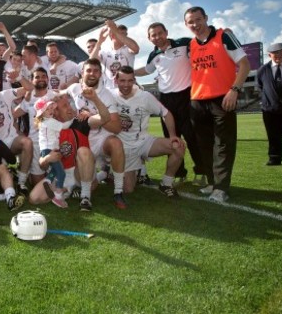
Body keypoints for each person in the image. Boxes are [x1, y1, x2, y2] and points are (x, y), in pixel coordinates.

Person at [184, 6, 250, 202]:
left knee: (223, 145)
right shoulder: (191, 46)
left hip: (223, 99)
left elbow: (245, 65)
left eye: (198, 19)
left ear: (206, 18)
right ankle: (212, 183)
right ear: (186, 25)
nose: (195, 24)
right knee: (204, 145)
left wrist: (234, 90)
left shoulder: (224, 36)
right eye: (191, 22)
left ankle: (221, 189)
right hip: (197, 101)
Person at [135, 22, 206, 184]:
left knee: (192, 136)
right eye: (153, 35)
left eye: (160, 33)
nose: (157, 37)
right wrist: (129, 72)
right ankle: (180, 173)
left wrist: (221, 35)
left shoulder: (183, 43)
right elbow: (147, 70)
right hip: (166, 101)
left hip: (186, 97)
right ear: (149, 38)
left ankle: (201, 172)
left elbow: (203, 41)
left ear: (166, 32)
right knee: (171, 138)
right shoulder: (153, 55)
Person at [112, 66, 186, 196]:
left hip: (143, 142)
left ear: (134, 80)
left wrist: (173, 135)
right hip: (123, 147)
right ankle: (110, 171)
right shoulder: (109, 96)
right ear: (116, 81)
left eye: (130, 81)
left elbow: (166, 113)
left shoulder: (145, 96)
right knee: (128, 189)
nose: (126, 85)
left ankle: (166, 184)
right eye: (122, 80)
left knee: (178, 147)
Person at [65, 58, 128, 209]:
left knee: (116, 142)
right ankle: (99, 178)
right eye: (88, 70)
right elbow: (59, 93)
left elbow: (117, 128)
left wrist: (94, 110)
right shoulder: (74, 88)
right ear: (82, 73)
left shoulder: (106, 95)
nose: (92, 74)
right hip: (83, 142)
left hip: (102, 138)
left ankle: (118, 191)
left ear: (100, 74)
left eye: (96, 71)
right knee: (89, 184)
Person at [31, 92, 109, 211]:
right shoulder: (47, 128)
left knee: (84, 151)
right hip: (61, 173)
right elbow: (42, 164)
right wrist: (47, 159)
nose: (70, 108)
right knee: (34, 198)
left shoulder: (80, 120)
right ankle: (72, 189)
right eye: (65, 106)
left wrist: (95, 99)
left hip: (80, 171)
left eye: (69, 104)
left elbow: (105, 118)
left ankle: (85, 196)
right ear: (55, 111)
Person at [33, 97, 72, 208]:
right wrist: (74, 118)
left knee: (55, 171)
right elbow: (65, 126)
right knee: (61, 173)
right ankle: (58, 196)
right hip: (49, 150)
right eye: (47, 109)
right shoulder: (49, 121)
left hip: (47, 150)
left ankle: (48, 181)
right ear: (42, 113)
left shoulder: (45, 121)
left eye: (51, 108)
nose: (50, 111)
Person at [90, 20, 139, 90]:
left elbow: (136, 48)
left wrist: (115, 31)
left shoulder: (127, 49)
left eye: (125, 34)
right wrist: (99, 41)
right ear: (112, 35)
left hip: (127, 90)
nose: (124, 37)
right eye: (121, 34)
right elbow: (91, 61)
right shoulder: (104, 52)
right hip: (110, 91)